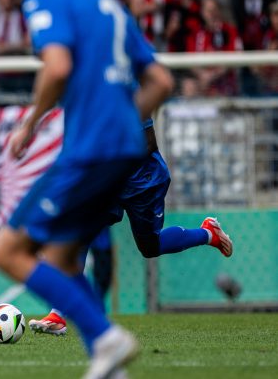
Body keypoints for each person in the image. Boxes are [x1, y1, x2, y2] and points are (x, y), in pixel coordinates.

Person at [0, 0, 173, 378]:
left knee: (9, 251)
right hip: (129, 150)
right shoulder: (108, 1)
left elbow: (56, 67)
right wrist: (120, 121)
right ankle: (108, 363)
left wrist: (30, 123)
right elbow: (160, 80)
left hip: (89, 150)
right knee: (63, 257)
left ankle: (107, 337)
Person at [29, 121, 234, 336]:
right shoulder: (89, 100)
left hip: (144, 180)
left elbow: (149, 142)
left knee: (150, 246)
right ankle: (58, 315)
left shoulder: (128, 92)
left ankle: (208, 233)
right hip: (109, 181)